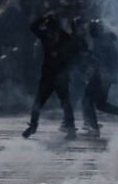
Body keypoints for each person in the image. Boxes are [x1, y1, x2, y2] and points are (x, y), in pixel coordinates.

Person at [22, 11, 78, 139]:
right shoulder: (49, 36)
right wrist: (44, 17)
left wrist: (43, 17)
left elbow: (74, 50)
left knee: (64, 103)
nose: (51, 32)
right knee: (41, 103)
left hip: (58, 76)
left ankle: (70, 129)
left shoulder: (61, 37)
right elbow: (32, 27)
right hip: (49, 76)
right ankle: (33, 126)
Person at [81, 21, 118, 137]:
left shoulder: (99, 42)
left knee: (87, 100)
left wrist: (98, 74)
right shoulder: (108, 39)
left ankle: (94, 129)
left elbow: (101, 61)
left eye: (90, 29)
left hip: (101, 75)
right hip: (109, 76)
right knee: (100, 104)